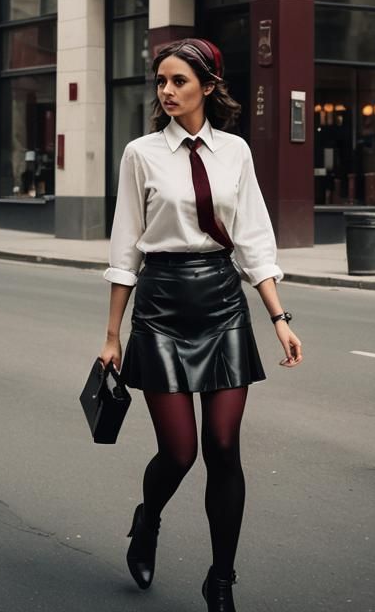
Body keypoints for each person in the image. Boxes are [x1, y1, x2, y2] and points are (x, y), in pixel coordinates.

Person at [99, 38, 303, 612]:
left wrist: (279, 319)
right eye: (160, 81)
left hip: (221, 303)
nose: (166, 91)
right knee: (180, 452)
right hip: (161, 305)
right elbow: (125, 250)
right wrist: (113, 335)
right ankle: (149, 519)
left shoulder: (236, 152)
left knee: (223, 446)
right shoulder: (141, 153)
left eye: (179, 81)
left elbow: (254, 241)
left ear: (208, 86)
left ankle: (221, 581)